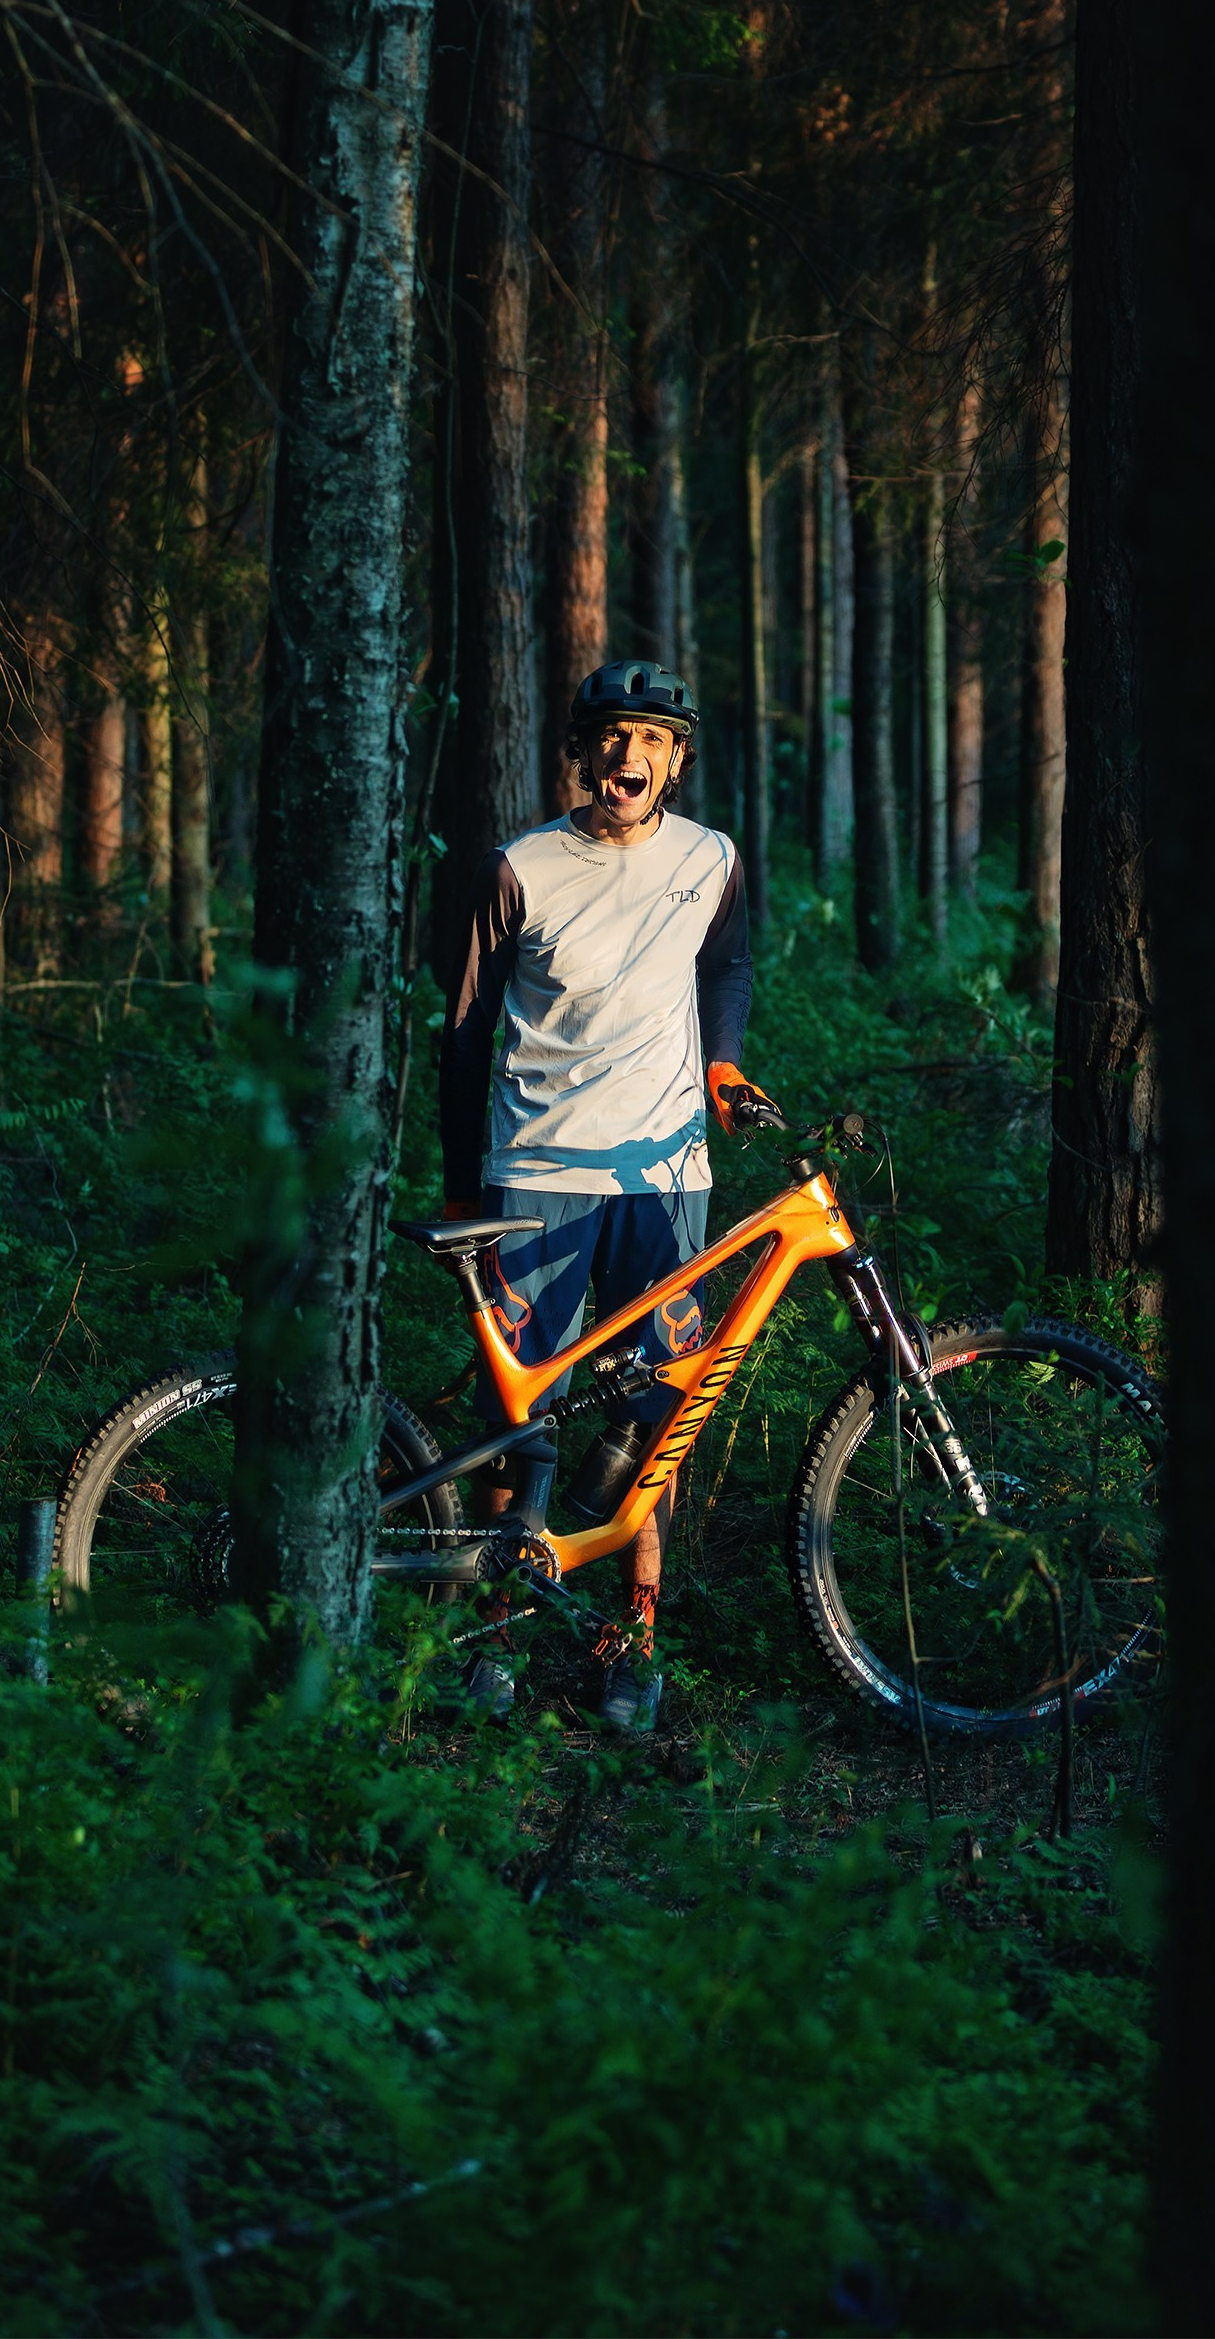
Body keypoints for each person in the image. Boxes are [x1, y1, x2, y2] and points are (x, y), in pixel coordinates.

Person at [438, 659, 769, 1732]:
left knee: (657, 1409)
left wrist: (720, 1063)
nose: (630, 757)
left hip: (666, 1180)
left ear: (675, 758)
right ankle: (490, 1642)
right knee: (512, 1412)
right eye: (612, 737)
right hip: (533, 1175)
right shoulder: (518, 868)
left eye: (652, 740)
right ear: (583, 751)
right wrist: (459, 1186)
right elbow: (462, 1033)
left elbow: (725, 967)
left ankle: (630, 1649)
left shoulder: (711, 858)